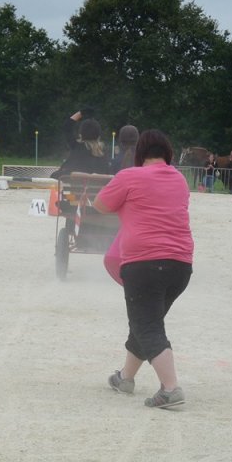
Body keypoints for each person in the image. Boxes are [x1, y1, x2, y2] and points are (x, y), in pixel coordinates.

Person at [94, 129, 194, 408]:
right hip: (181, 265)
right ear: (168, 153)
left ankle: (171, 389)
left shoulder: (129, 176)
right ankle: (125, 378)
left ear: (139, 153)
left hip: (144, 264)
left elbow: (100, 205)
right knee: (146, 321)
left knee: (147, 325)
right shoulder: (180, 179)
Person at [104, 125, 140, 284]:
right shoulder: (143, 163)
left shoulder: (113, 163)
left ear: (120, 141)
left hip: (111, 208)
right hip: (135, 211)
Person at [50, 109, 110, 179]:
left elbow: (67, 126)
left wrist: (81, 113)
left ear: (81, 134)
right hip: (97, 185)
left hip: (72, 183)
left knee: (54, 175)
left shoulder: (76, 146)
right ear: (98, 135)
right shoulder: (104, 151)